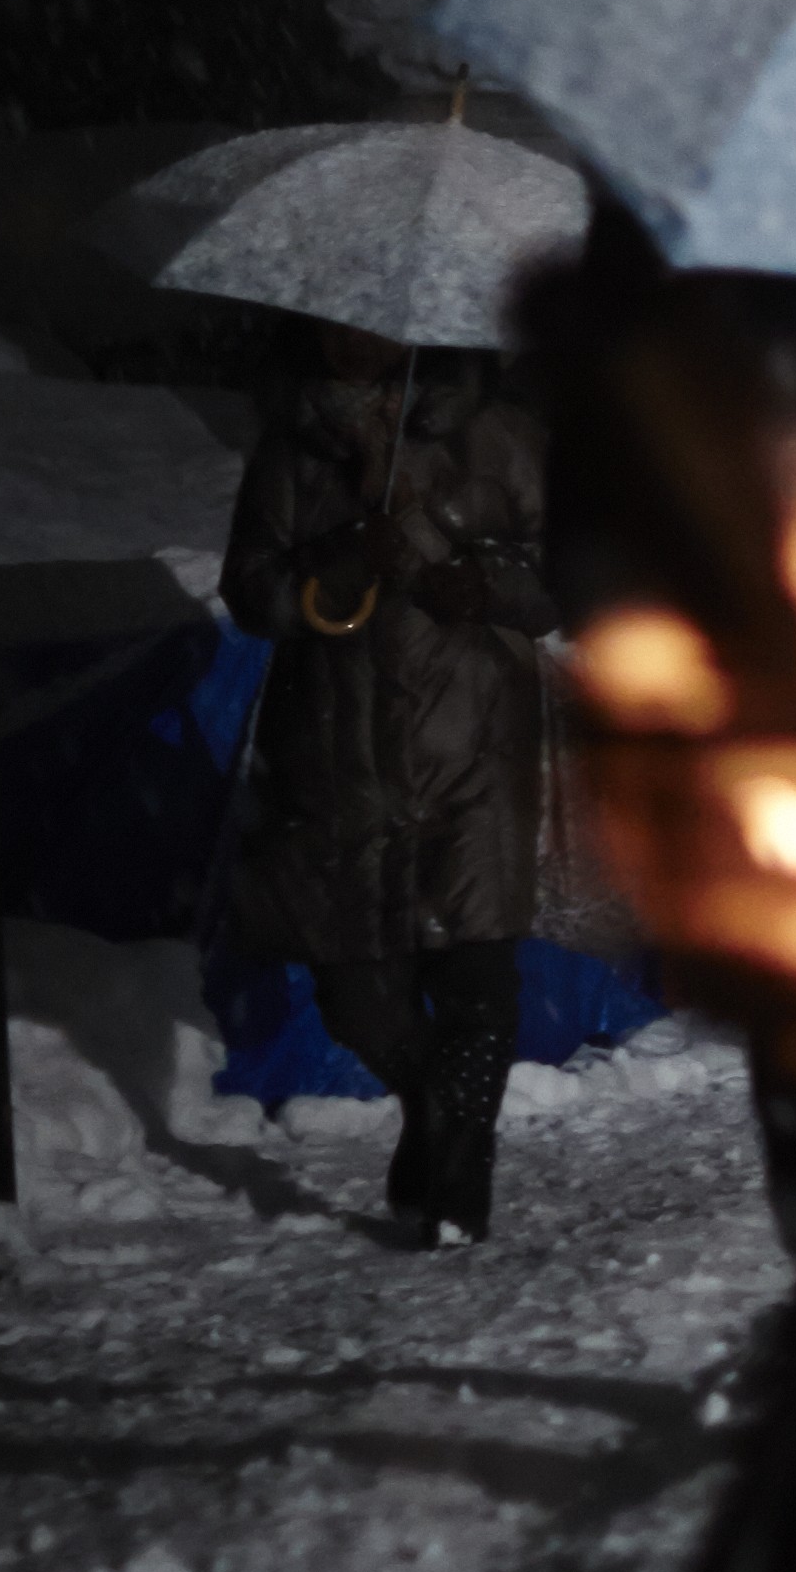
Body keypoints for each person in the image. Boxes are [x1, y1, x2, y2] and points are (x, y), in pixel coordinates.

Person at [220, 325, 554, 1249]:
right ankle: (435, 1111)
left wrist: (481, 584)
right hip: (340, 759)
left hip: (473, 750)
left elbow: (563, 577)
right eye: (333, 324)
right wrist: (337, 565)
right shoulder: (295, 450)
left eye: (368, 326)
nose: (349, 340)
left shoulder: (499, 437)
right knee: (355, 994)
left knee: (476, 971)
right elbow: (250, 590)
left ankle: (460, 1181)